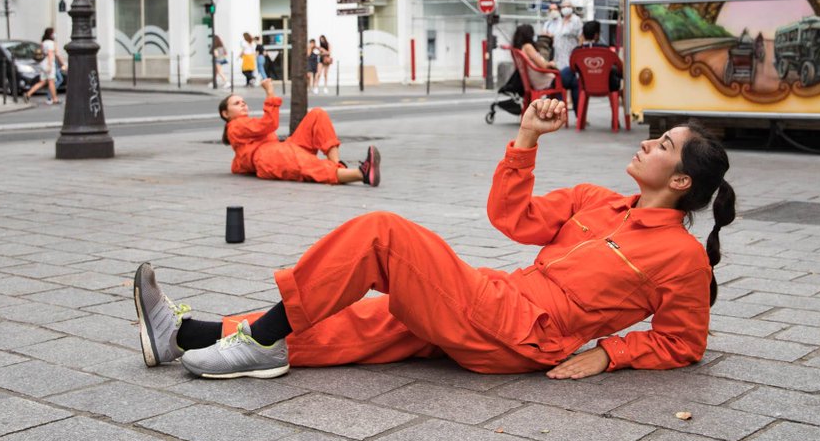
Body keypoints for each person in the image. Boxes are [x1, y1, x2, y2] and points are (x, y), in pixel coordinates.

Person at [132, 100, 735, 381]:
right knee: (365, 319)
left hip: (525, 334)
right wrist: (526, 138)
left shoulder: (681, 257)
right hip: (499, 299)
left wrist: (610, 353)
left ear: (680, 181)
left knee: (383, 235)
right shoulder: (594, 200)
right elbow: (512, 217)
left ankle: (259, 342)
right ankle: (188, 336)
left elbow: (684, 341)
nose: (648, 143)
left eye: (663, 145)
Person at [217, 77, 380, 186]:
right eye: (237, 103)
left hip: (278, 150)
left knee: (317, 114)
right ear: (226, 114)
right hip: (269, 157)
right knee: (310, 167)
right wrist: (270, 93)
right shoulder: (235, 126)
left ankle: (337, 166)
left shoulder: (242, 126)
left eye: (243, 102)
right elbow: (269, 124)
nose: (243, 104)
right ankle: (360, 174)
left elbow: (239, 163)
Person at [543, 0, 582, 113]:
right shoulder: (559, 21)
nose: (565, 8)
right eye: (563, 6)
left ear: (572, 7)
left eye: (568, 6)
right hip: (559, 56)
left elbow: (580, 38)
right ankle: (557, 109)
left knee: (569, 81)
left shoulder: (576, 20)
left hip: (571, 56)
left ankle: (576, 111)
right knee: (559, 81)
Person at [511, 23, 559, 91]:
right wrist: (551, 64)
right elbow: (543, 66)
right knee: (571, 79)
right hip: (542, 80)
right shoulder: (528, 47)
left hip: (532, 80)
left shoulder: (519, 48)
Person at [579, 19, 622, 91]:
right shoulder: (605, 49)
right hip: (608, 85)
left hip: (584, 85)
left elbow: (573, 68)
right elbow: (618, 65)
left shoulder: (577, 51)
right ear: (596, 35)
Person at [25, 28, 64, 105]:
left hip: (43, 64)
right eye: (53, 33)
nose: (54, 34)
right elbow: (50, 54)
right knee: (51, 82)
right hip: (49, 64)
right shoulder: (51, 43)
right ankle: (55, 99)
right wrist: (51, 65)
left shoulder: (44, 42)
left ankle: (28, 94)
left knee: (43, 82)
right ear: (51, 34)